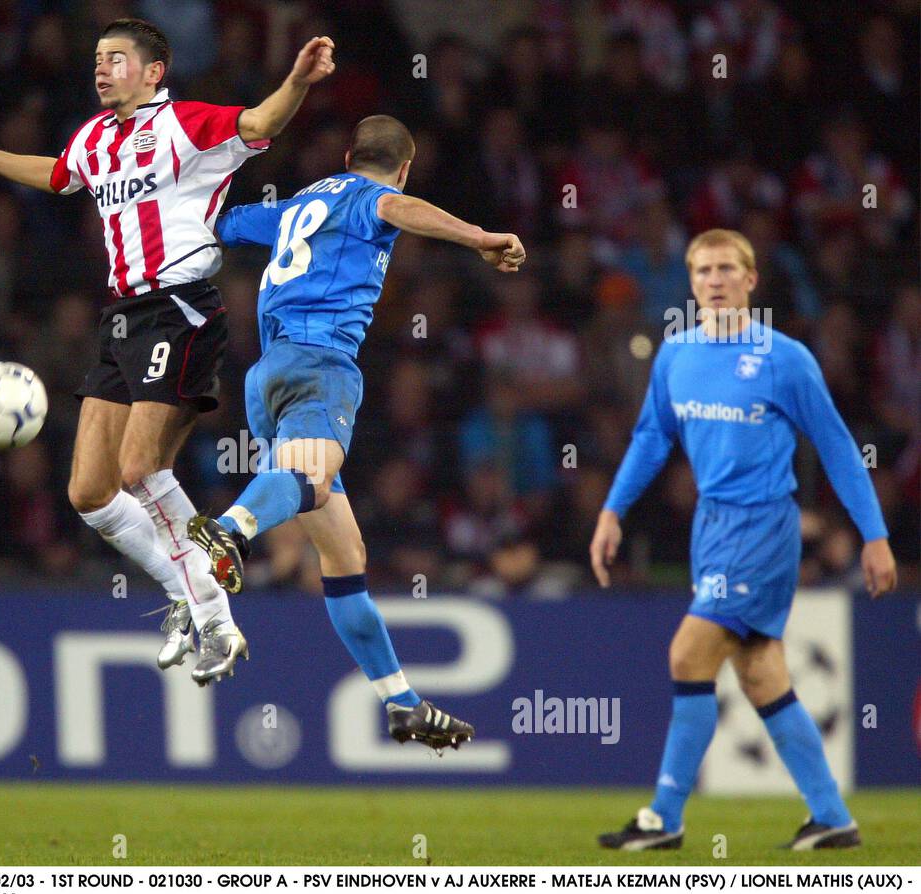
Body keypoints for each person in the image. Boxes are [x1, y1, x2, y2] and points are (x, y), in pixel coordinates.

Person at [0, 18, 336, 683]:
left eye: (115, 59)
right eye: (98, 58)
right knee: (88, 491)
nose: (101, 69)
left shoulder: (186, 127)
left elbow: (260, 122)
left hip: (182, 308)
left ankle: (216, 619)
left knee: (140, 465)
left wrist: (297, 81)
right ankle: (185, 597)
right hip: (123, 319)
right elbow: (54, 175)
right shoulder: (93, 138)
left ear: (153, 71)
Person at [187, 114, 525, 743]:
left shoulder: (297, 205)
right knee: (313, 477)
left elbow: (225, 225)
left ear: (347, 154)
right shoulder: (377, 198)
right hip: (320, 366)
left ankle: (400, 700)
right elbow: (402, 211)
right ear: (403, 168)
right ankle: (229, 529)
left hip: (266, 375)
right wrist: (478, 237)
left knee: (344, 556)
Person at [589, 228, 897, 850]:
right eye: (703, 271)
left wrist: (875, 535)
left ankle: (664, 817)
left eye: (728, 269)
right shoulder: (676, 355)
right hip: (712, 526)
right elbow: (652, 438)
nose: (716, 281)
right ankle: (832, 817)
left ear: (752, 280)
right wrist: (612, 510)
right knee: (760, 675)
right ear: (692, 283)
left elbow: (837, 445)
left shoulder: (785, 359)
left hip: (762, 526)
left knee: (687, 654)